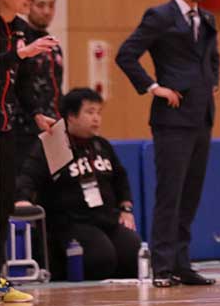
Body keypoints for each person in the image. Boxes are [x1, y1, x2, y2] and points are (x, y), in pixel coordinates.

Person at [115, 0, 220, 287]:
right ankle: (162, 266)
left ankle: (182, 262)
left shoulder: (207, 19)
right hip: (172, 119)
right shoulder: (160, 16)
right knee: (170, 193)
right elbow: (126, 54)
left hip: (202, 115)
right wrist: (154, 87)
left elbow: (212, 58)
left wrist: (212, 82)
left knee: (191, 193)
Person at [15, 88, 142, 280]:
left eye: (99, 113)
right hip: (71, 222)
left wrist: (125, 207)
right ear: (71, 116)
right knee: (100, 258)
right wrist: (22, 199)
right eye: (90, 112)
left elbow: (120, 178)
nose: (96, 118)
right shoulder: (53, 144)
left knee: (133, 251)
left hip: (105, 219)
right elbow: (29, 174)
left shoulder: (101, 145)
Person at [0, 0, 56, 303]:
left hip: (5, 128)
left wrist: (36, 113)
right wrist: (21, 55)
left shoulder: (18, 28)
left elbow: (19, 84)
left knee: (3, 201)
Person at [14, 0, 64, 173]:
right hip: (25, 126)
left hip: (53, 126)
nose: (47, 11)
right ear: (29, 5)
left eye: (51, 6)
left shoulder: (54, 45)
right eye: (40, 5)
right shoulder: (21, 41)